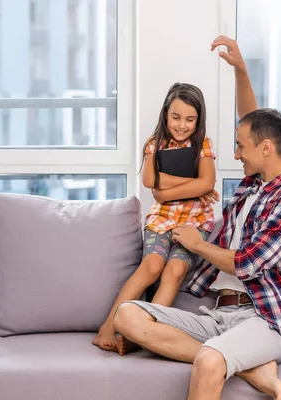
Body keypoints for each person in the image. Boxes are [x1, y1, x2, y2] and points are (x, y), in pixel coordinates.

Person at [112, 36, 281, 400]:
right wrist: (240, 70)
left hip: (265, 318)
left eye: (241, 147)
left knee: (209, 360)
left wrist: (197, 245)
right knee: (127, 316)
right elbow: (252, 123)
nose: (235, 154)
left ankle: (225, 357)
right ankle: (250, 367)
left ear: (265, 149)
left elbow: (249, 263)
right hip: (218, 317)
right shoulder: (255, 186)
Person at [93, 81, 219, 354]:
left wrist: (169, 190)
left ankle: (144, 331)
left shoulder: (204, 145)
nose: (182, 125)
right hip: (161, 219)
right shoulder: (155, 144)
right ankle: (107, 327)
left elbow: (207, 182)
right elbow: (151, 181)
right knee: (152, 266)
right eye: (175, 117)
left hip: (194, 224)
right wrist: (191, 186)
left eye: (190, 119)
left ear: (199, 120)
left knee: (174, 271)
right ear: (165, 114)